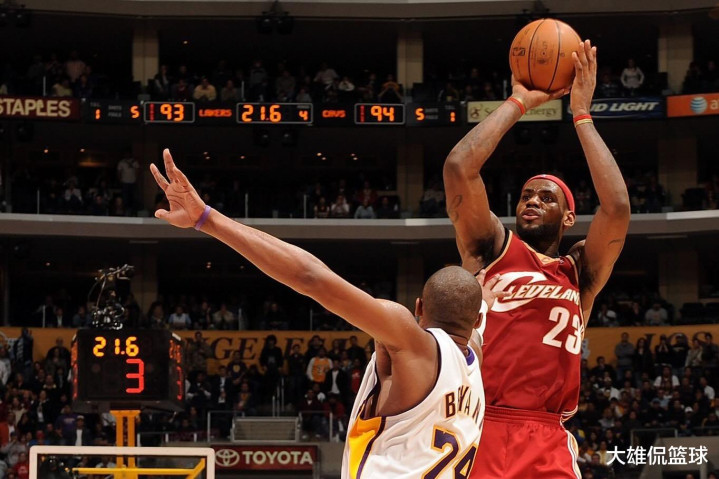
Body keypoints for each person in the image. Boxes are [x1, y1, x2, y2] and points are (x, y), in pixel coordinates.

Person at [151, 149, 487, 478]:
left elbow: (310, 277)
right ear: (478, 321)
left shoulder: (411, 341)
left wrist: (206, 219)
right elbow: (477, 299)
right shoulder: (475, 358)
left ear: (418, 308)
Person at [444, 40, 630, 478]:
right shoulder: (491, 246)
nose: (531, 201)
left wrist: (581, 115)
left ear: (568, 217)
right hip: (479, 422)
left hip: (548, 436)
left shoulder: (579, 271)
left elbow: (617, 207)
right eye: (527, 195)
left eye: (546, 198)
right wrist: (519, 102)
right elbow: (459, 168)